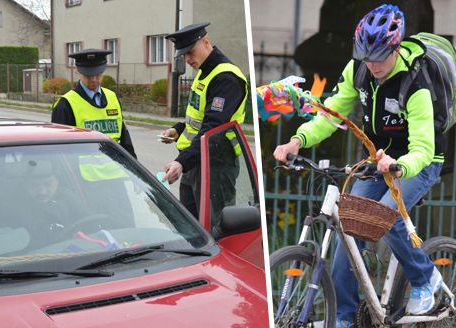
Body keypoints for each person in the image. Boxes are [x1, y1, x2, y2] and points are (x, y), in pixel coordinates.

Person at [273, 4, 443, 326]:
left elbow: (423, 146)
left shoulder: (415, 83)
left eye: (380, 56)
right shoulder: (360, 70)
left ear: (395, 48)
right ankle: (343, 318)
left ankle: (426, 281)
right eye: (367, 56)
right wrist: (297, 140)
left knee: (386, 217)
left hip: (419, 162)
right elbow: (331, 114)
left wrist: (400, 165)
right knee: (348, 233)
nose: (373, 64)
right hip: (376, 160)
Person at [161, 22, 248, 219]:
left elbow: (212, 128)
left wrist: (181, 162)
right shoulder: (205, 71)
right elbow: (199, 118)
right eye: (183, 54)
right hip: (196, 160)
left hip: (216, 164)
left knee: (216, 229)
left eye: (190, 51)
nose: (187, 58)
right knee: (191, 226)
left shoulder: (226, 78)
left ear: (206, 42)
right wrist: (178, 130)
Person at [51, 49, 137, 159]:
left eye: (98, 74)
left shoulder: (112, 97)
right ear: (78, 70)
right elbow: (60, 152)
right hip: (84, 175)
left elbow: (125, 141)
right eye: (88, 75)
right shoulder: (65, 105)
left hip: (117, 173)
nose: (94, 79)